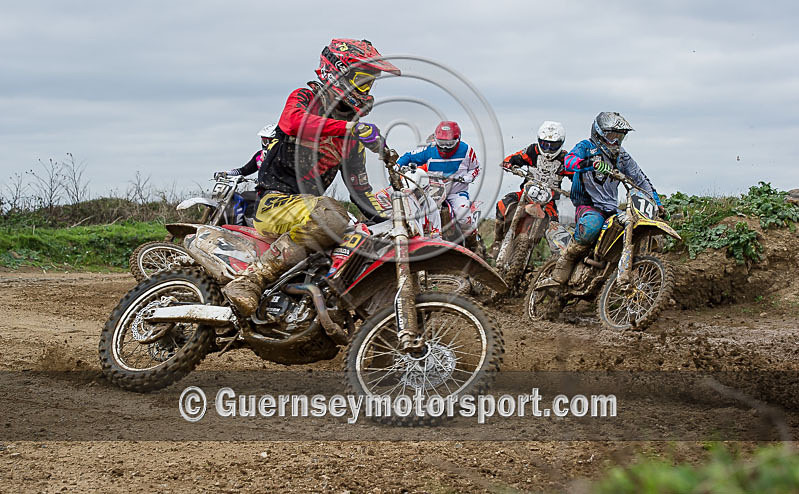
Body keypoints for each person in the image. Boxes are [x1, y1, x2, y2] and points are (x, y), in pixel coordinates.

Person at [222, 38, 400, 316]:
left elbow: (359, 189)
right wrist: (350, 128)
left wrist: (390, 223)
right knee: (333, 215)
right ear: (338, 74)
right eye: (362, 81)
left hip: (308, 211)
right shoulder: (306, 97)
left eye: (370, 83)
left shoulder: (348, 137)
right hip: (275, 203)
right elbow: (290, 122)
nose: (366, 89)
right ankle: (250, 280)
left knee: (365, 234)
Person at [541, 112, 663, 287]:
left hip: (611, 208)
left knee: (634, 225)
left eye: (619, 137)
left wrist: (657, 203)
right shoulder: (586, 146)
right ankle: (562, 268)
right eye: (611, 136)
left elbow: (640, 179)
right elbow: (568, 161)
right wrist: (589, 163)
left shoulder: (622, 156)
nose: (615, 142)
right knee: (592, 226)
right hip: (588, 205)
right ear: (598, 133)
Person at [491, 121, 570, 258]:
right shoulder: (532, 150)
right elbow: (515, 157)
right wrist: (509, 163)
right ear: (539, 141)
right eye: (545, 144)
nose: (549, 149)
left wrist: (577, 188)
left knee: (554, 228)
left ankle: (554, 259)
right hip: (525, 194)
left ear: (561, 143)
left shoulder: (565, 159)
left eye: (553, 146)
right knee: (502, 204)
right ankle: (497, 241)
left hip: (548, 201)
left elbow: (576, 175)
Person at [396, 121, 480, 243]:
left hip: (456, 192)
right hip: (432, 191)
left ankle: (473, 243)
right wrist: (398, 164)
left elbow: (475, 168)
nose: (445, 147)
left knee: (463, 215)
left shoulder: (466, 150)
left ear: (457, 140)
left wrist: (468, 178)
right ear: (436, 140)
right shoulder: (429, 150)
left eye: (449, 144)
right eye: (441, 143)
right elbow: (409, 156)